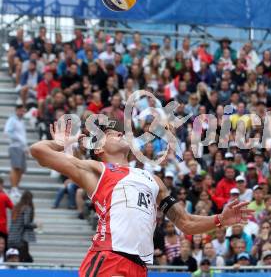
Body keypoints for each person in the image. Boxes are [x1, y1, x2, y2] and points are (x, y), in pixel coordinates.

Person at [30, 120, 252, 276]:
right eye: (110, 133)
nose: (119, 133)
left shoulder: (152, 179)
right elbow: (39, 151)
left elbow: (186, 223)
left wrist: (220, 219)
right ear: (98, 148)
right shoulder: (96, 170)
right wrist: (61, 143)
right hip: (109, 257)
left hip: (139, 267)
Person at [4, 104, 28, 201]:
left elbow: (23, 136)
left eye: (23, 111)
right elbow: (7, 132)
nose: (22, 113)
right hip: (14, 146)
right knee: (15, 168)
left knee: (21, 169)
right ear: (17, 110)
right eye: (21, 111)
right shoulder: (12, 120)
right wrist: (18, 140)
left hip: (22, 147)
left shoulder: (21, 122)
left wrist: (25, 146)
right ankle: (13, 188)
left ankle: (15, 188)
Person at [8, 190, 36, 262]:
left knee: (12, 259)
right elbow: (26, 223)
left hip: (11, 238)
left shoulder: (16, 207)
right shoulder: (26, 208)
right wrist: (35, 225)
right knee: (24, 260)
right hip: (20, 239)